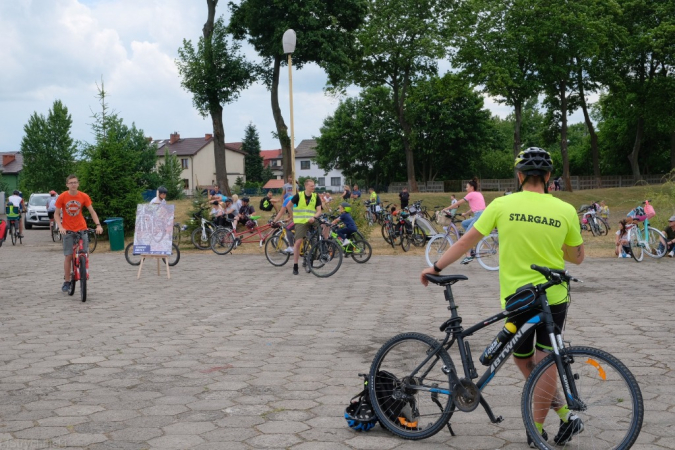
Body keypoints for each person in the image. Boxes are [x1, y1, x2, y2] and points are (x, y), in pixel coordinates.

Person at [420, 147, 584, 448]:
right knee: (543, 362)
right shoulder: (565, 210)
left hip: (518, 299)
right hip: (554, 297)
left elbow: (467, 241)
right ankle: (559, 417)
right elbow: (577, 257)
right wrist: (550, 239)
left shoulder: (502, 205)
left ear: (520, 176)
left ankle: (538, 429)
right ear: (548, 178)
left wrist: (436, 266)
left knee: (524, 360)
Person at [54, 175, 104, 293]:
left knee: (85, 253)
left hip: (81, 228)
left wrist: (98, 225)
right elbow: (56, 214)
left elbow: (92, 211)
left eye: (75, 182)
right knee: (69, 256)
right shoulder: (62, 197)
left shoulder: (83, 196)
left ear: (78, 184)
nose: (73, 184)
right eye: (71, 183)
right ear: (67, 185)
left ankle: (84, 272)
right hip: (68, 229)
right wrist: (61, 227)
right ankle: (67, 281)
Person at [448, 178, 486, 264]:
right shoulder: (478, 194)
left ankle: (468, 256)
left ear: (472, 187)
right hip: (481, 214)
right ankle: (472, 245)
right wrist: (465, 214)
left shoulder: (471, 194)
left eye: (467, 187)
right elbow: (476, 208)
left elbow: (458, 203)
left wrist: (446, 208)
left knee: (466, 237)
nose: (466, 188)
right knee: (464, 223)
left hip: (478, 216)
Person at [288, 178, 322, 275]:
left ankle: (322, 246)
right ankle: (295, 265)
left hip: (312, 219)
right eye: (311, 186)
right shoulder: (299, 195)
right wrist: (292, 216)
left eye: (314, 185)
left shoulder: (316, 196)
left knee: (324, 225)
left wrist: (314, 217)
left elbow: (319, 210)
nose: (313, 187)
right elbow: (288, 206)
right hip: (301, 221)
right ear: (306, 186)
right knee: (298, 242)